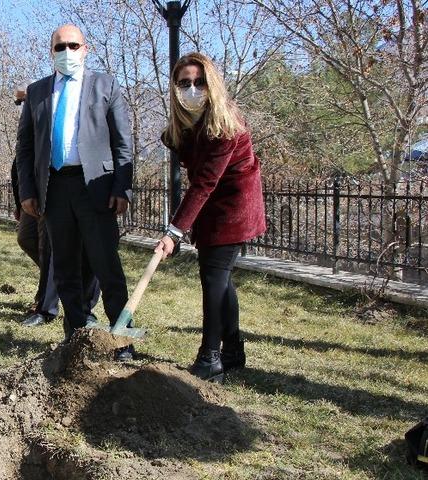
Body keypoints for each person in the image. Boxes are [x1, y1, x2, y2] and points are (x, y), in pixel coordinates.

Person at [15, 24, 133, 359]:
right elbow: (24, 147)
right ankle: (77, 336)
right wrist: (27, 192)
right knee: (63, 266)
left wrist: (122, 187)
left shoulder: (105, 85)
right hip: (54, 188)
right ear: (51, 52)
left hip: (95, 186)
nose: (66, 52)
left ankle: (122, 340)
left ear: (85, 48)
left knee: (106, 266)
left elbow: (123, 143)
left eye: (72, 45)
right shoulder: (37, 91)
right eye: (59, 47)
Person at [154, 52, 266, 382]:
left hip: (234, 207)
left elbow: (205, 181)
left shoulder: (226, 124)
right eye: (184, 83)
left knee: (213, 278)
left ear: (211, 84)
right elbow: (190, 160)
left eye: (199, 82)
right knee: (221, 278)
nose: (192, 89)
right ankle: (232, 351)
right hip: (209, 205)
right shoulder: (189, 122)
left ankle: (210, 356)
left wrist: (174, 232)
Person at [10, 88, 100, 327]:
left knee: (54, 248)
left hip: (63, 188)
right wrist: (22, 196)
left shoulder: (61, 112)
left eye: (24, 102)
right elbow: (21, 159)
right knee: (27, 238)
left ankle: (49, 306)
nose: (22, 107)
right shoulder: (31, 120)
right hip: (35, 193)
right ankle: (64, 283)